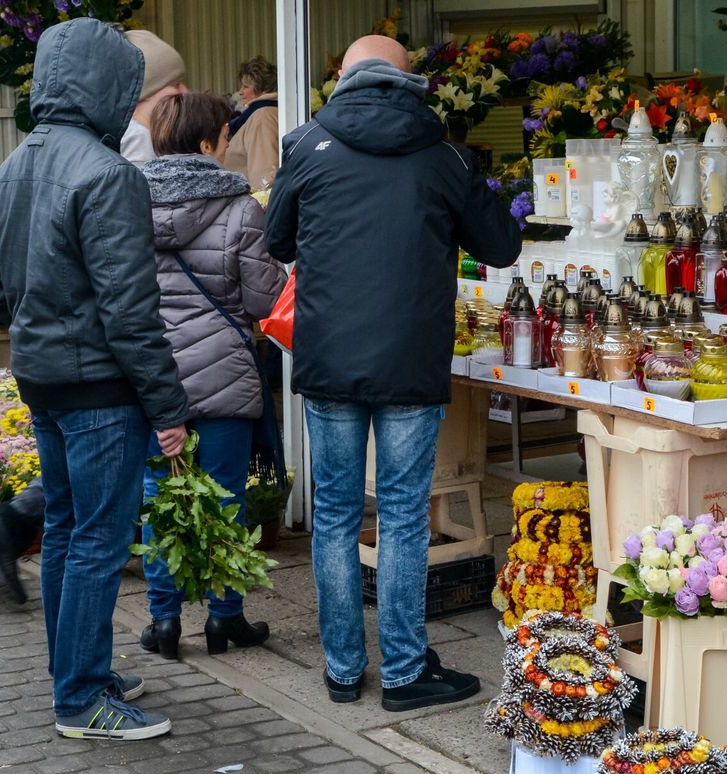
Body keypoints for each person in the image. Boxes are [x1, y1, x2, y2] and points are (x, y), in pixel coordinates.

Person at [265, 35, 520, 710]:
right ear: (411, 83)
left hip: (328, 362)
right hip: (411, 360)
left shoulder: (306, 145)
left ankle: (343, 669)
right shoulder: (444, 155)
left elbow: (276, 241)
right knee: (404, 516)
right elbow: (501, 245)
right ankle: (405, 673)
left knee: (337, 517)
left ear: (344, 78)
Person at [0, 18, 190, 740]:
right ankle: (80, 698)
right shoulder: (108, 175)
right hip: (98, 386)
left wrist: (37, 318)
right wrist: (169, 408)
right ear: (108, 85)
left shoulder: (14, 163)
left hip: (42, 377)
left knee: (67, 526)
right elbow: (132, 312)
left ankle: (76, 670)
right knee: (96, 537)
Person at [138, 92, 286, 659]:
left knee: (159, 498)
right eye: (226, 134)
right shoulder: (241, 209)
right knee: (226, 500)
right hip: (224, 376)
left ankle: (164, 623)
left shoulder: (127, 204)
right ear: (206, 144)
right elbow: (265, 299)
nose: (230, 142)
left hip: (154, 376)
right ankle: (225, 618)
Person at [120, 30, 187, 166]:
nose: (185, 91)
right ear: (146, 93)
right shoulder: (138, 140)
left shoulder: (148, 134)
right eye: (176, 84)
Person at [224, 56, 279, 190]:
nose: (241, 92)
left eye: (246, 87)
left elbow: (264, 174)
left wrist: (261, 205)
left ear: (263, 89)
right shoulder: (258, 113)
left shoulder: (262, 116)